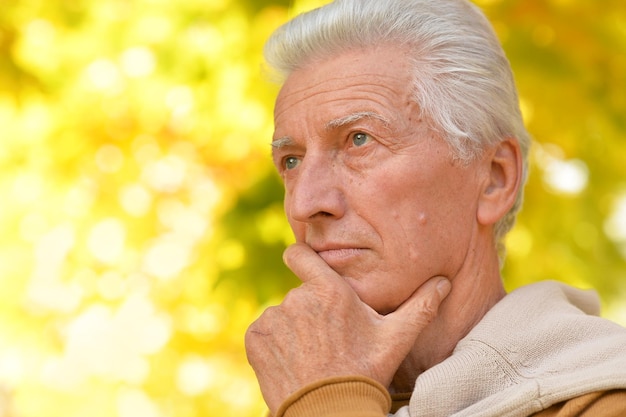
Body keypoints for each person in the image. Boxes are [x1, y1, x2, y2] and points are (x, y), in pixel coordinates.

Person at [244, 0, 626, 416]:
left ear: (495, 178)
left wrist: (326, 401)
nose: (305, 203)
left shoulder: (604, 402)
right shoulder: (297, 391)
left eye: (359, 140)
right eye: (291, 162)